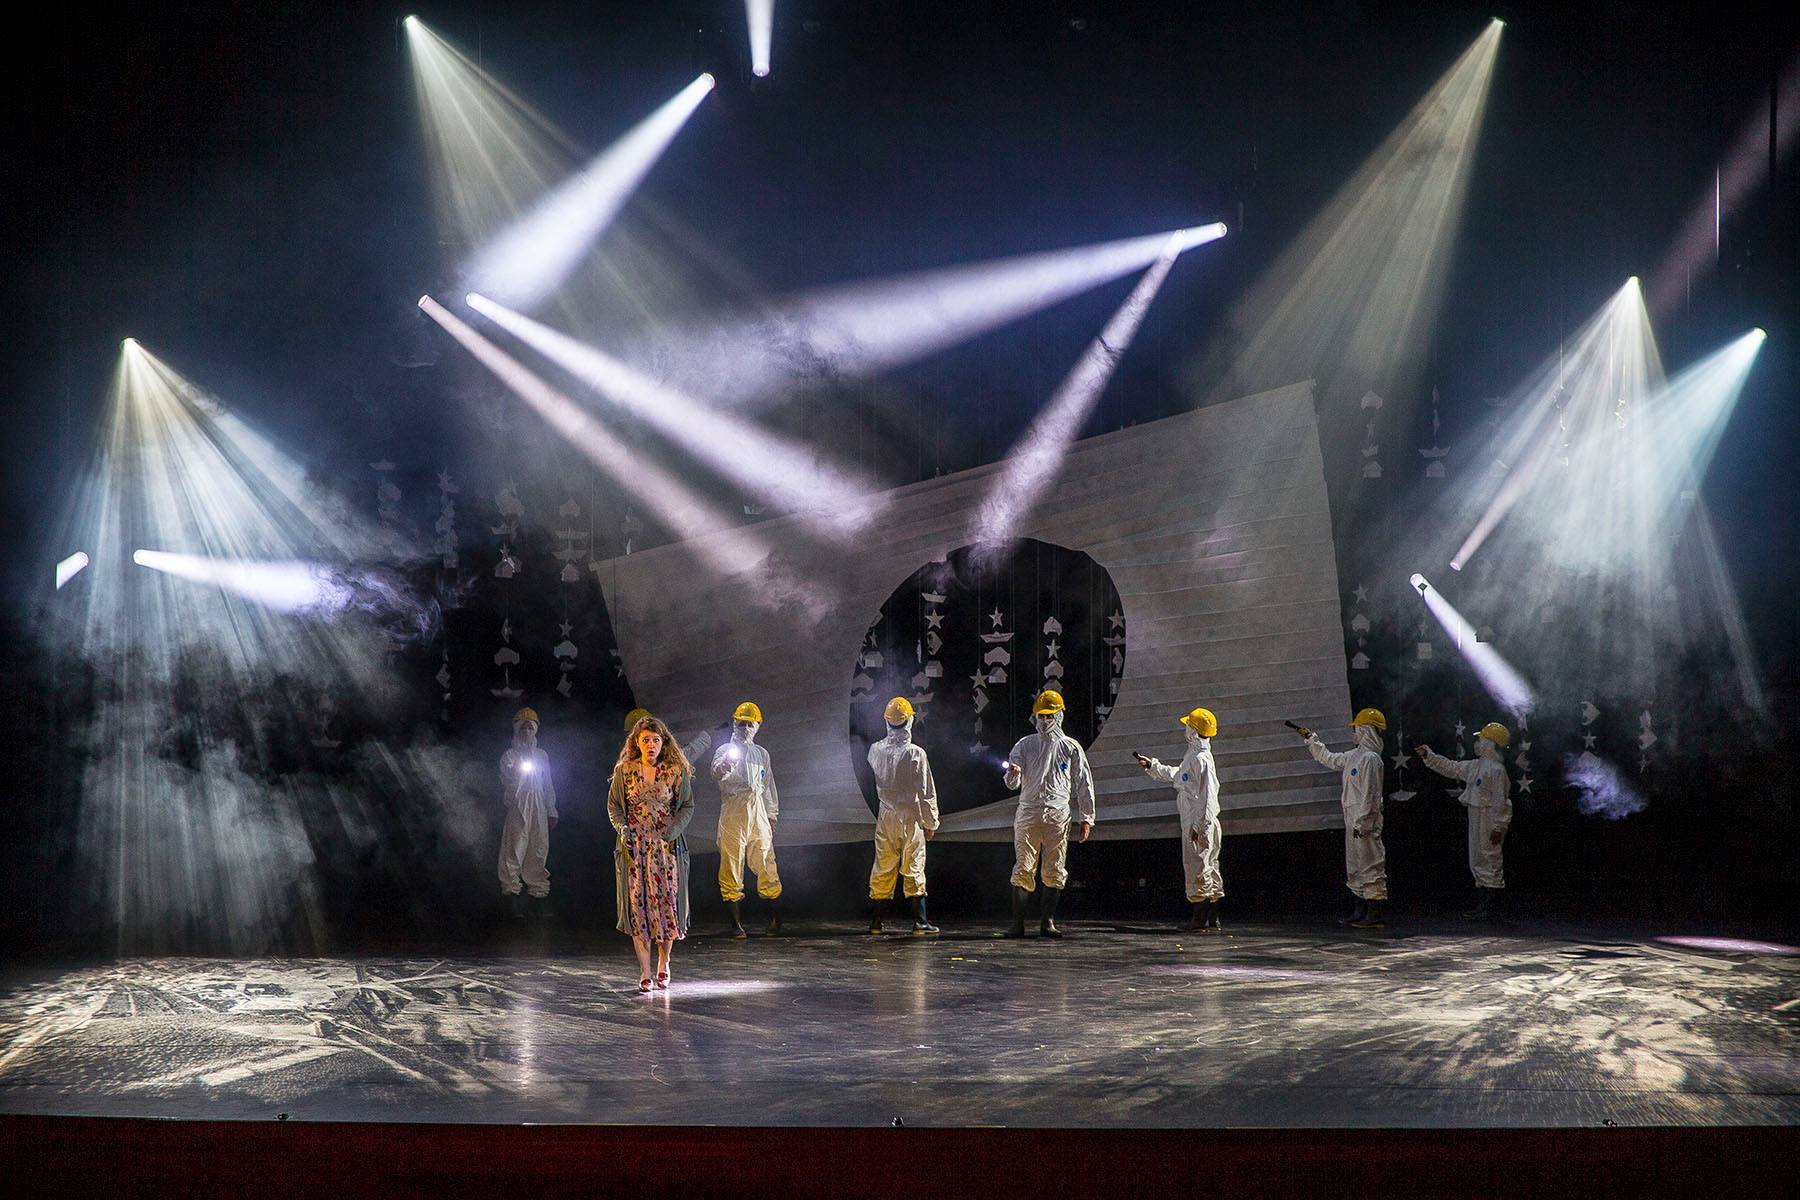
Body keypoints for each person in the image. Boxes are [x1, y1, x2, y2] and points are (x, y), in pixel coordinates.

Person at [609, 715, 696, 992]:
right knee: (639, 908)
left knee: (666, 907)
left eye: (656, 740)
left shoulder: (674, 771)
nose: (651, 745)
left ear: (663, 743)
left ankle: (664, 963)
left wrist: (673, 830)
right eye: (645, 739)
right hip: (636, 851)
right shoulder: (625, 771)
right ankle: (645, 970)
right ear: (636, 742)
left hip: (665, 849)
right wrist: (623, 829)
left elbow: (687, 806)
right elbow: (614, 806)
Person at [1003, 690, 1096, 939]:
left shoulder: (1070, 747)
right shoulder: (1025, 745)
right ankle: (1018, 924)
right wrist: (1012, 773)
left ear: (1059, 716)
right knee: (1023, 867)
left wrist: (1087, 817)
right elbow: (1011, 784)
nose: (1045, 721)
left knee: (1054, 868)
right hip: (1029, 813)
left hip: (1057, 813)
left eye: (1050, 716)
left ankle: (1048, 922)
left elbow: (1083, 782)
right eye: (1041, 716)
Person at [1296, 708, 1388, 928]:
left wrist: (1363, 822)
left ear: (1365, 730)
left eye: (1357, 728)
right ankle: (1360, 910)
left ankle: (1374, 913)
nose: (1353, 732)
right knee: (1355, 865)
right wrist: (1312, 739)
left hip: (1364, 822)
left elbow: (1371, 795)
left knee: (1370, 864)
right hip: (1353, 820)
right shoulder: (1354, 756)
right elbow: (1329, 759)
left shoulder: (1371, 759)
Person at [1135, 706, 1223, 932]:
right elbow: (1180, 776)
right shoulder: (1195, 756)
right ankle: (1211, 918)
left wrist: (1198, 826)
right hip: (1202, 820)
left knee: (1197, 866)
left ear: (1193, 731)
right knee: (1209, 866)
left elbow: (1207, 797)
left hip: (1199, 819)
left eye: (1188, 725)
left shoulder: (1200, 759)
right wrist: (1153, 766)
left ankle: (1200, 920)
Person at [1416, 722, 1513, 919]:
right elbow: (1451, 768)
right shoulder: (1475, 766)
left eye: (1481, 739)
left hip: (1489, 817)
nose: (1477, 743)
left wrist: (1498, 827)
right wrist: (1429, 756)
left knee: (1490, 856)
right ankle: (1483, 904)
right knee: (1477, 857)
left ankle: (1490, 906)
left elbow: (1500, 802)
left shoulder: (1497, 770)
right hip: (1476, 814)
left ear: (1490, 743)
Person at [867, 697, 941, 934]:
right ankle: (920, 921)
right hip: (911, 815)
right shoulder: (916, 753)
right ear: (909, 721)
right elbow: (926, 792)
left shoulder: (875, 749)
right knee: (914, 864)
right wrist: (930, 823)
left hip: (886, 815)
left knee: (883, 865)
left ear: (887, 721)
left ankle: (877, 922)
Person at [713, 701, 783, 938]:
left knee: (766, 861)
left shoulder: (761, 754)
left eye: (750, 724)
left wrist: (771, 815)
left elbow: (768, 786)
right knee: (731, 864)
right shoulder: (725, 750)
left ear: (758, 725)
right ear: (735, 723)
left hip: (758, 811)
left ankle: (775, 919)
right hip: (734, 811)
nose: (745, 728)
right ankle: (736, 925)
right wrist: (726, 764)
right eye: (741, 723)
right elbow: (716, 773)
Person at [497, 706, 557, 917]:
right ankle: (511, 895)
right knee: (514, 848)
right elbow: (507, 779)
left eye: (530, 728)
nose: (526, 732)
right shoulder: (509, 756)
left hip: (539, 806)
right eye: (523, 728)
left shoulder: (542, 756)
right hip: (518, 806)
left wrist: (551, 809)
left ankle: (537, 896)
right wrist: (515, 770)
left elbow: (547, 784)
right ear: (516, 730)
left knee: (538, 847)